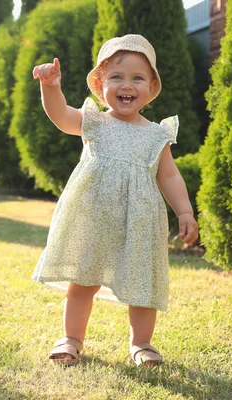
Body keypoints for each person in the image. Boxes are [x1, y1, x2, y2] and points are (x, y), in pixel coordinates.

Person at [31, 34, 199, 367]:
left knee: (142, 283)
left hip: (139, 222)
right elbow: (60, 115)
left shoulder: (156, 134)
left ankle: (142, 344)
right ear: (100, 84)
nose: (127, 85)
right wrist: (51, 89)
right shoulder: (94, 121)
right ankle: (72, 339)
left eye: (137, 78)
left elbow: (169, 176)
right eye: (117, 77)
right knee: (82, 280)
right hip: (94, 217)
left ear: (151, 89)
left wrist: (184, 210)